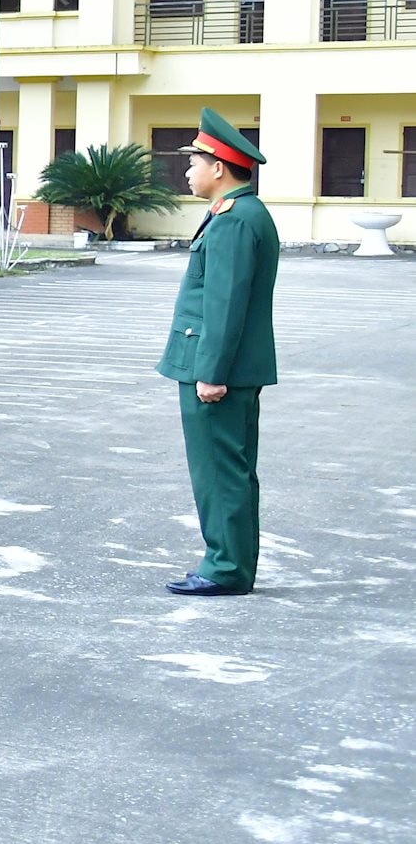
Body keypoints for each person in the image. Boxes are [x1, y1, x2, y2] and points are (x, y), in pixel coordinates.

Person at [158, 108, 279, 597]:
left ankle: (226, 567)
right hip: (223, 366)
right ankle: (229, 562)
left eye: (194, 162)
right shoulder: (239, 214)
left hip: (215, 370)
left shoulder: (234, 220)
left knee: (219, 470)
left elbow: (225, 304)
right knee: (229, 468)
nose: (188, 171)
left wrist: (210, 373)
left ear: (219, 168)